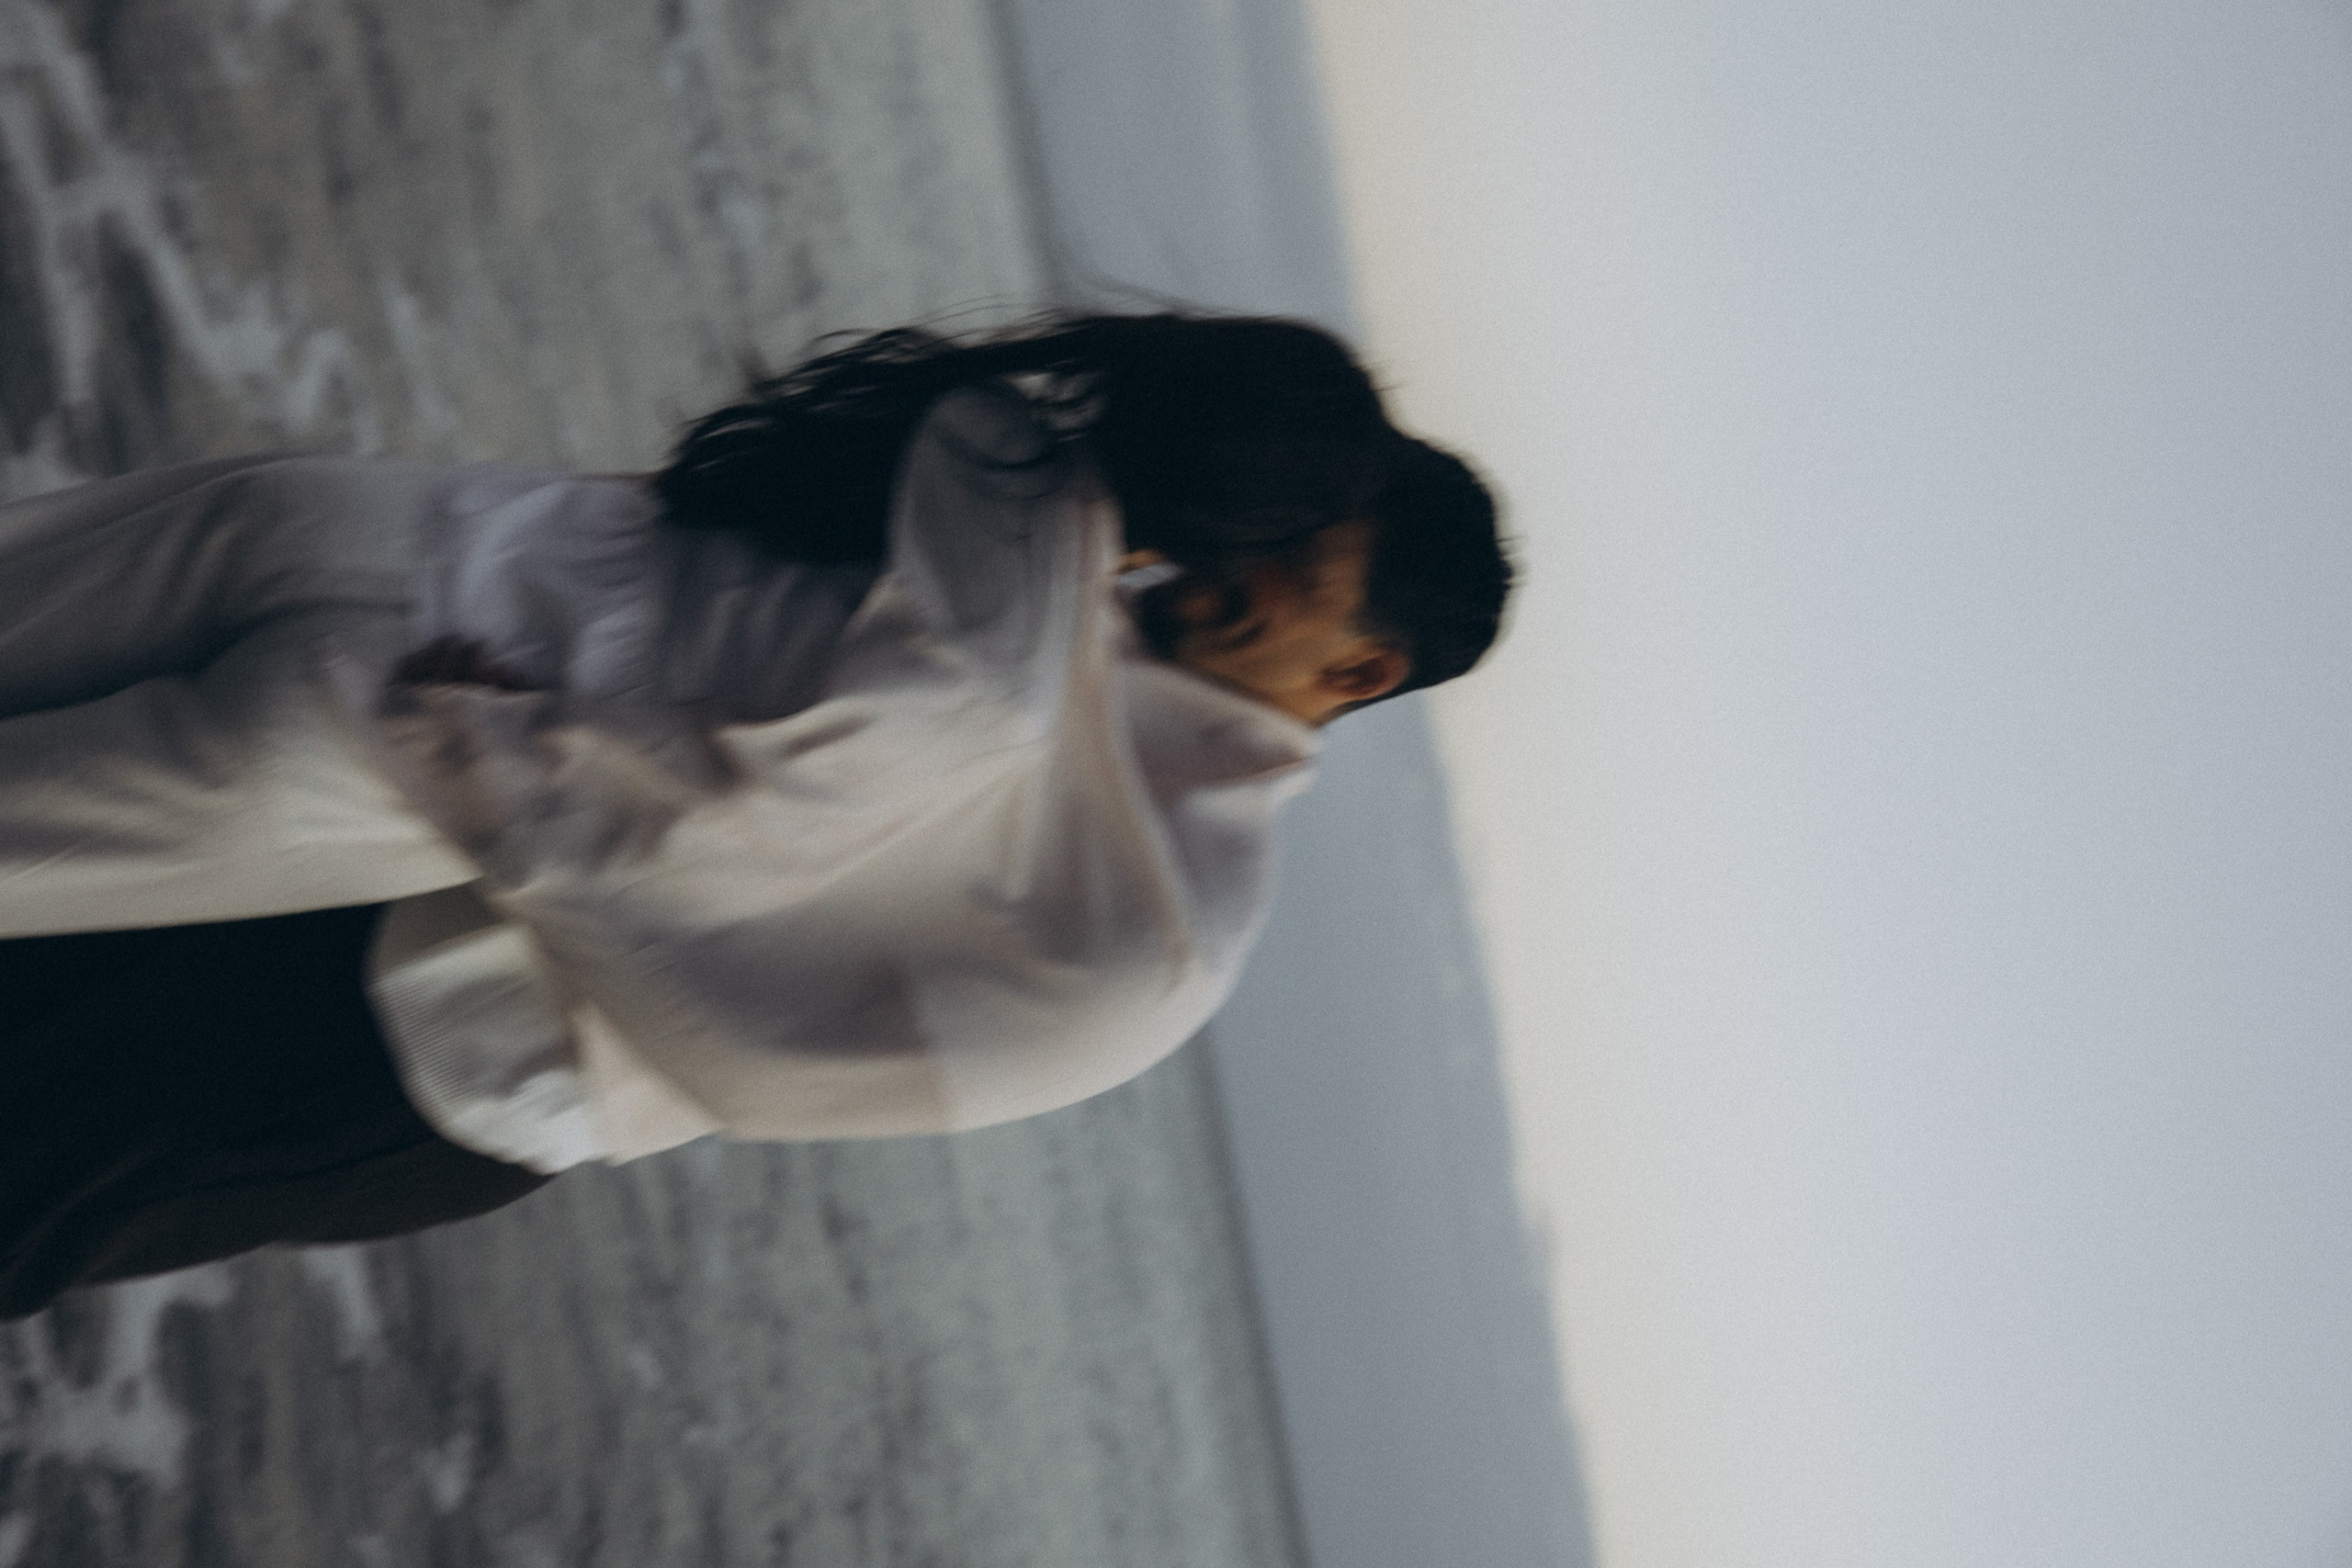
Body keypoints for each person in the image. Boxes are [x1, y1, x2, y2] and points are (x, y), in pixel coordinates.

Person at [0, 314, 1510, 1318]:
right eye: (1272, 521)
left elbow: (765, 1061)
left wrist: (520, 786)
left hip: (410, 1052)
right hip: (375, 806)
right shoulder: (1053, 610)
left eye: (1295, 562)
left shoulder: (1161, 939)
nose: (1226, 562)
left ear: (1362, 665)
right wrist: (510, 774)